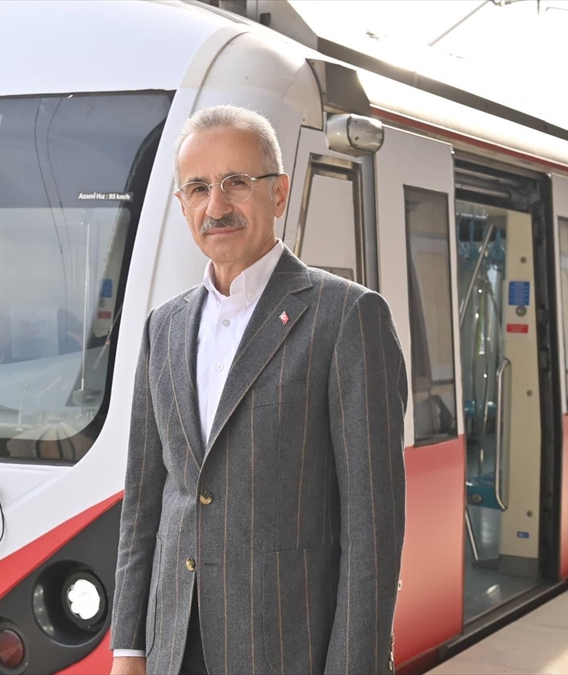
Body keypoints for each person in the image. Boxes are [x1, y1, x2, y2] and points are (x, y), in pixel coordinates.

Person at [109, 105, 407, 675]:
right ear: (181, 205)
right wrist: (130, 648)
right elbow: (143, 504)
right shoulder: (163, 328)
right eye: (197, 188)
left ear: (279, 194)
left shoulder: (347, 317)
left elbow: (372, 529)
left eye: (235, 183)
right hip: (174, 648)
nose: (215, 206)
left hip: (289, 651)